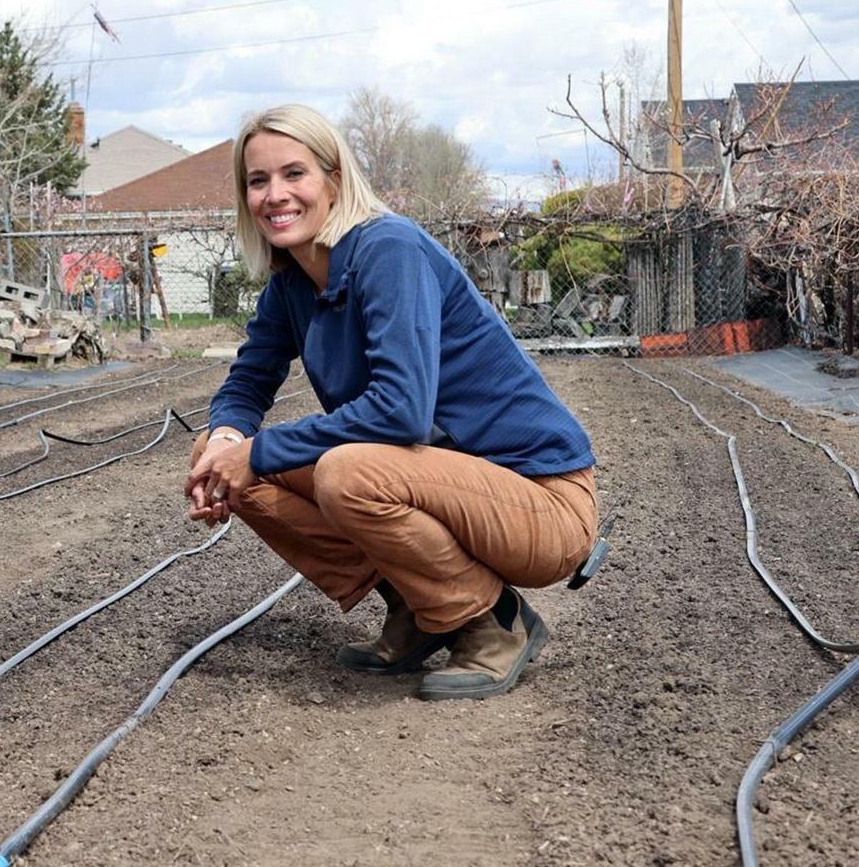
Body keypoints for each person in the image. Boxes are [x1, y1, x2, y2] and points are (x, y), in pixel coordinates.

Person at [185, 103, 597, 701]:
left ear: (334, 178)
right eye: (257, 180)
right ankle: (418, 605)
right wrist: (227, 441)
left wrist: (261, 449)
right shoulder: (294, 280)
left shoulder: (388, 250)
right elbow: (249, 382)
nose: (275, 194)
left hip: (540, 502)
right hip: (447, 482)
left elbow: (400, 410)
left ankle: (491, 624)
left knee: (347, 472)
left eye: (293, 174)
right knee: (219, 452)